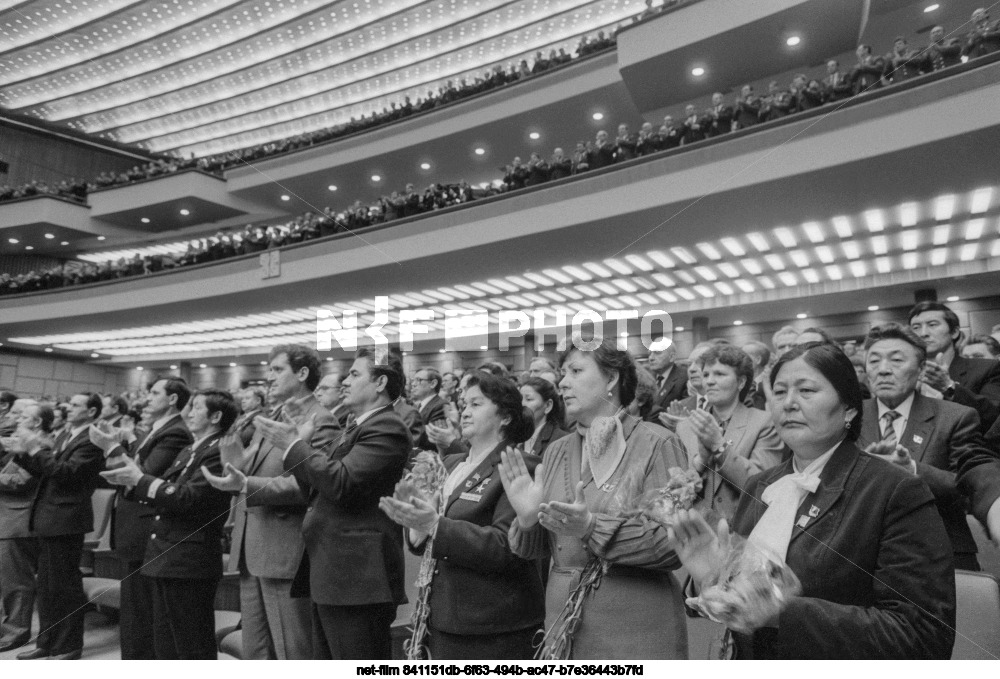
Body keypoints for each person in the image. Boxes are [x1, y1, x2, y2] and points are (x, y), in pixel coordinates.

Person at [668, 343, 956, 659]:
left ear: (848, 408)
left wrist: (782, 612)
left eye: (806, 390)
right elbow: (736, 606)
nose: (788, 404)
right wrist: (713, 578)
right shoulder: (761, 483)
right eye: (779, 392)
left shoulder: (893, 490)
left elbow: (923, 635)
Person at [500, 338, 690, 659]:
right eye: (562, 373)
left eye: (575, 370)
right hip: (564, 623)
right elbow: (536, 550)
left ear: (612, 378)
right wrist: (528, 519)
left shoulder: (658, 443)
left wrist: (590, 527)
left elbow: (672, 543)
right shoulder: (558, 449)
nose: (562, 382)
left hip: (635, 626)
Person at [381, 373, 545, 658]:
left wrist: (434, 524)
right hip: (441, 613)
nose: (465, 411)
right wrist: (416, 519)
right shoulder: (453, 462)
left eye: (476, 404)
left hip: (492, 625)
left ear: (505, 417)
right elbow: (431, 539)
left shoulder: (518, 466)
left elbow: (507, 547)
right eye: (464, 404)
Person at [262, 346, 410, 659]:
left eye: (355, 374)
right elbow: (318, 491)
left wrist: (295, 447)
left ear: (380, 383)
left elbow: (342, 484)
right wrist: (297, 451)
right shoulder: (354, 426)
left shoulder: (387, 427)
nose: (345, 382)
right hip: (333, 574)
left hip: (357, 580)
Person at [204, 344, 338, 659]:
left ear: (303, 373)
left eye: (278, 370)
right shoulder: (272, 415)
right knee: (256, 649)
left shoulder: (322, 419)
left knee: (292, 651)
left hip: (284, 548)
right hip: (252, 545)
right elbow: (247, 469)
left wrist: (247, 483)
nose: (269, 377)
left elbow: (309, 485)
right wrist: (232, 456)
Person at [100, 390, 237, 659]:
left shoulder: (219, 450)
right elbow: (166, 491)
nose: (189, 412)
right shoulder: (190, 449)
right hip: (167, 554)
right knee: (165, 641)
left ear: (216, 416)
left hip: (189, 559)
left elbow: (188, 498)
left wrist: (139, 480)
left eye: (197, 407)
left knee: (189, 644)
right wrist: (132, 482)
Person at [858, 323, 1000, 569]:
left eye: (896, 360)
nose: (883, 370)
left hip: (942, 554)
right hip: (865, 554)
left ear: (921, 368)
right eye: (874, 361)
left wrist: (913, 470)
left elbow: (967, 486)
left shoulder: (956, 416)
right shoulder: (848, 418)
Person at [89, 377, 192, 660]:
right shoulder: (155, 430)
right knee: (134, 613)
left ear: (172, 399)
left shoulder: (176, 433)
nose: (147, 398)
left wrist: (111, 446)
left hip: (146, 528)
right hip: (134, 525)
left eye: (155, 392)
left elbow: (142, 474)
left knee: (141, 616)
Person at [13, 393, 104, 660]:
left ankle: (68, 646)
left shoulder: (92, 439)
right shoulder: (66, 434)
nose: (68, 408)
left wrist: (35, 449)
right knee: (47, 587)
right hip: (50, 517)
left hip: (67, 520)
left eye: (76, 405)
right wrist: (22, 454)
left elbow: (66, 474)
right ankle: (47, 642)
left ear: (92, 412)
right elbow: (45, 469)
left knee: (65, 587)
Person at [674, 346, 785, 521]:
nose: (709, 381)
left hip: (743, 533)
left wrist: (719, 447)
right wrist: (699, 462)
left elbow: (762, 487)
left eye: (719, 374)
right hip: (696, 533)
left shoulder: (764, 422)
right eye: (706, 375)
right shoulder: (686, 427)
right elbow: (674, 492)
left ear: (741, 382)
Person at [909, 301, 1000, 431]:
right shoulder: (907, 375)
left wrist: (949, 388)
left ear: (954, 332)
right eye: (916, 327)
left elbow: (994, 418)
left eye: (932, 325)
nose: (923, 333)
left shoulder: (987, 368)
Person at [0, 402, 47, 653]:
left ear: (36, 420)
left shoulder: (40, 443)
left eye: (19, 414)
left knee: (16, 581)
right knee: (3, 580)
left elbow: (20, 480)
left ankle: (16, 632)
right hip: (5, 516)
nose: (12, 418)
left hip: (18, 519)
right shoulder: (15, 441)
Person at [519, 377, 568, 456]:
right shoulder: (513, 437)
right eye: (519, 399)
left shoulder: (561, 440)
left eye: (528, 399)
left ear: (548, 406)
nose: (521, 404)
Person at [647, 338, 687, 409]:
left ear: (672, 357)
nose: (651, 358)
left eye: (657, 353)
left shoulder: (684, 378)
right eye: (650, 353)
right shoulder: (647, 379)